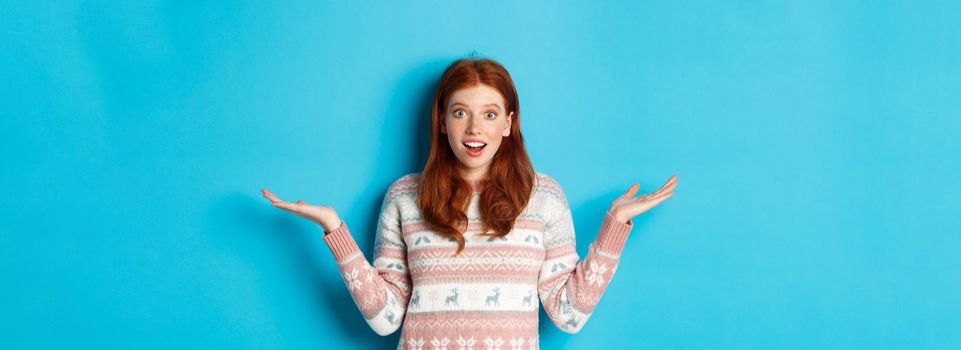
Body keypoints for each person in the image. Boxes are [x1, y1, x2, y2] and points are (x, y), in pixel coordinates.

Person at [262, 57, 678, 349]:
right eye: (460, 113)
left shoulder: (544, 197)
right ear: (442, 121)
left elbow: (568, 315)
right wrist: (335, 232)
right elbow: (386, 319)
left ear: (509, 124)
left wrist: (614, 229)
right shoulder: (406, 197)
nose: (475, 128)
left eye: (490, 114)